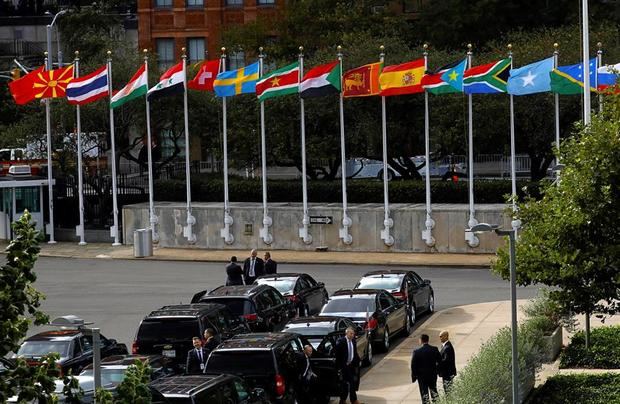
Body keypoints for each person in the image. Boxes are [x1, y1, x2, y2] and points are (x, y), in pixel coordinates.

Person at [411, 334, 441, 404]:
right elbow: (440, 361)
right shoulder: (434, 349)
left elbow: (413, 365)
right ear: (428, 340)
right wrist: (437, 370)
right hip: (432, 375)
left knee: (424, 394)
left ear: (421, 341)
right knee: (434, 392)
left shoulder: (416, 352)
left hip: (421, 377)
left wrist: (414, 376)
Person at [335, 327, 361, 404]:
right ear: (346, 333)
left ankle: (344, 400)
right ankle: (352, 400)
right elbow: (338, 356)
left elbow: (354, 353)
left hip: (351, 365)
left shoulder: (353, 341)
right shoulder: (341, 342)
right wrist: (339, 368)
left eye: (353, 333)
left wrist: (358, 361)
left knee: (350, 383)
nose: (352, 335)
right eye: (351, 333)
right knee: (349, 383)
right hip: (344, 366)